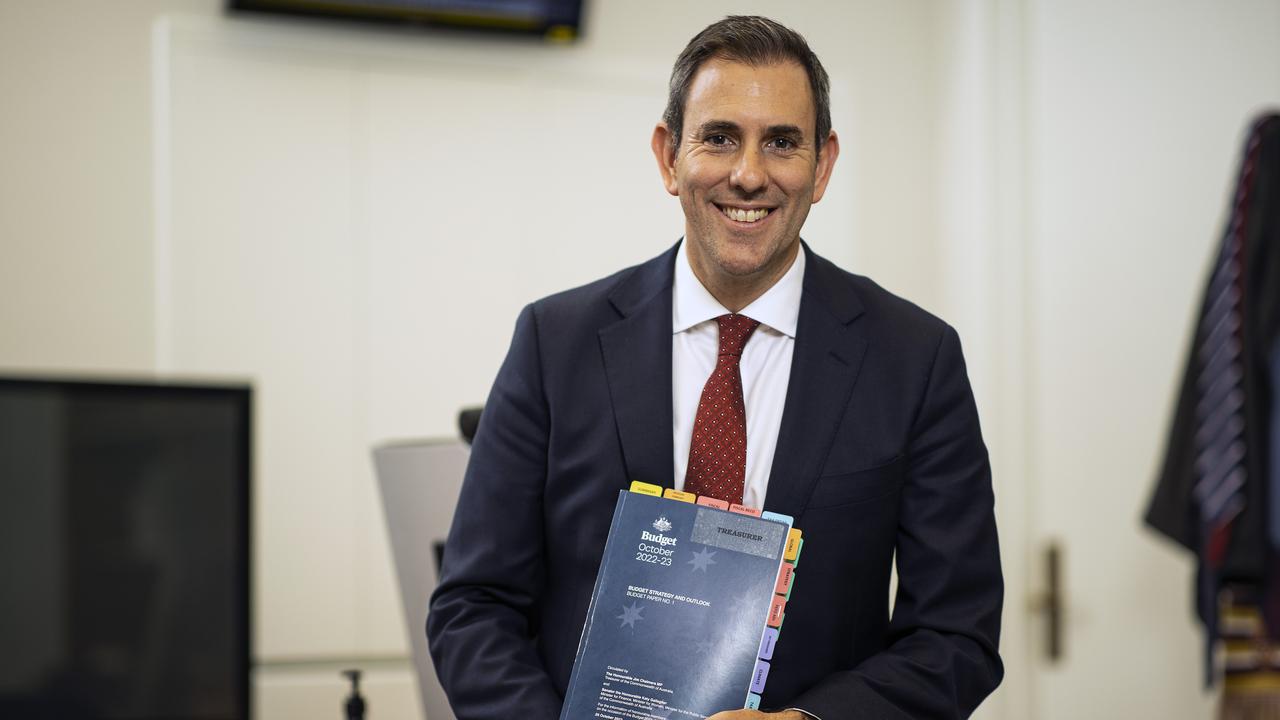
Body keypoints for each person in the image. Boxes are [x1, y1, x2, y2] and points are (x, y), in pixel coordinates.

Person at [427, 15, 1003, 720]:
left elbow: (957, 633)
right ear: (669, 156)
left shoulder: (914, 359)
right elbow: (473, 605)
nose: (749, 174)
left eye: (782, 143)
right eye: (720, 137)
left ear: (822, 166)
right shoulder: (556, 342)